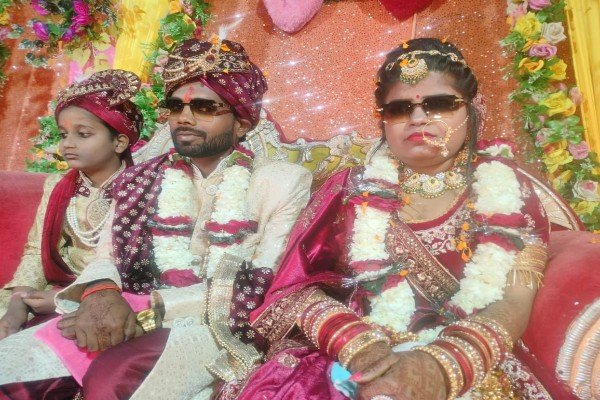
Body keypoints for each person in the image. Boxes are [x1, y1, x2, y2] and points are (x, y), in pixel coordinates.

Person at [221, 38, 578, 400]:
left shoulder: (507, 188)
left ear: (472, 110)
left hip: (470, 352)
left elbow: (516, 299)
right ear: (384, 121)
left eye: (439, 104)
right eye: (399, 108)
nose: (417, 118)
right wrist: (359, 345)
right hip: (354, 349)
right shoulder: (348, 189)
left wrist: (442, 368)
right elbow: (291, 290)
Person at [0, 36, 311, 400]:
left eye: (205, 107)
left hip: (215, 324)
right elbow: (106, 256)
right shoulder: (139, 178)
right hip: (122, 307)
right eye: (176, 106)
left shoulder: (281, 182)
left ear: (241, 123)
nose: (185, 117)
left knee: (111, 382)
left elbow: (265, 280)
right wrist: (100, 294)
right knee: (11, 372)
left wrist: (151, 310)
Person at [0, 69, 142, 339]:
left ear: (119, 142)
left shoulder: (141, 188)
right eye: (63, 134)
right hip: (52, 289)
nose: (68, 144)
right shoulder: (58, 186)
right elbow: (36, 252)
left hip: (112, 298)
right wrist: (18, 302)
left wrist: (66, 298)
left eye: (83, 134)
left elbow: (138, 268)